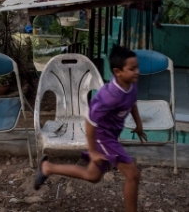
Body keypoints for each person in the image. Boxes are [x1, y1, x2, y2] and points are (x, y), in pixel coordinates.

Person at [34, 45, 146, 212]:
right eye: (132, 69)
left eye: (136, 67)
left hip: (111, 136)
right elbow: (90, 121)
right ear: (118, 72)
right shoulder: (109, 96)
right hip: (102, 136)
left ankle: (48, 168)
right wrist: (93, 151)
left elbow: (132, 101)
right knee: (133, 174)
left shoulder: (131, 83)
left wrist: (139, 124)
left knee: (92, 176)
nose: (136, 71)